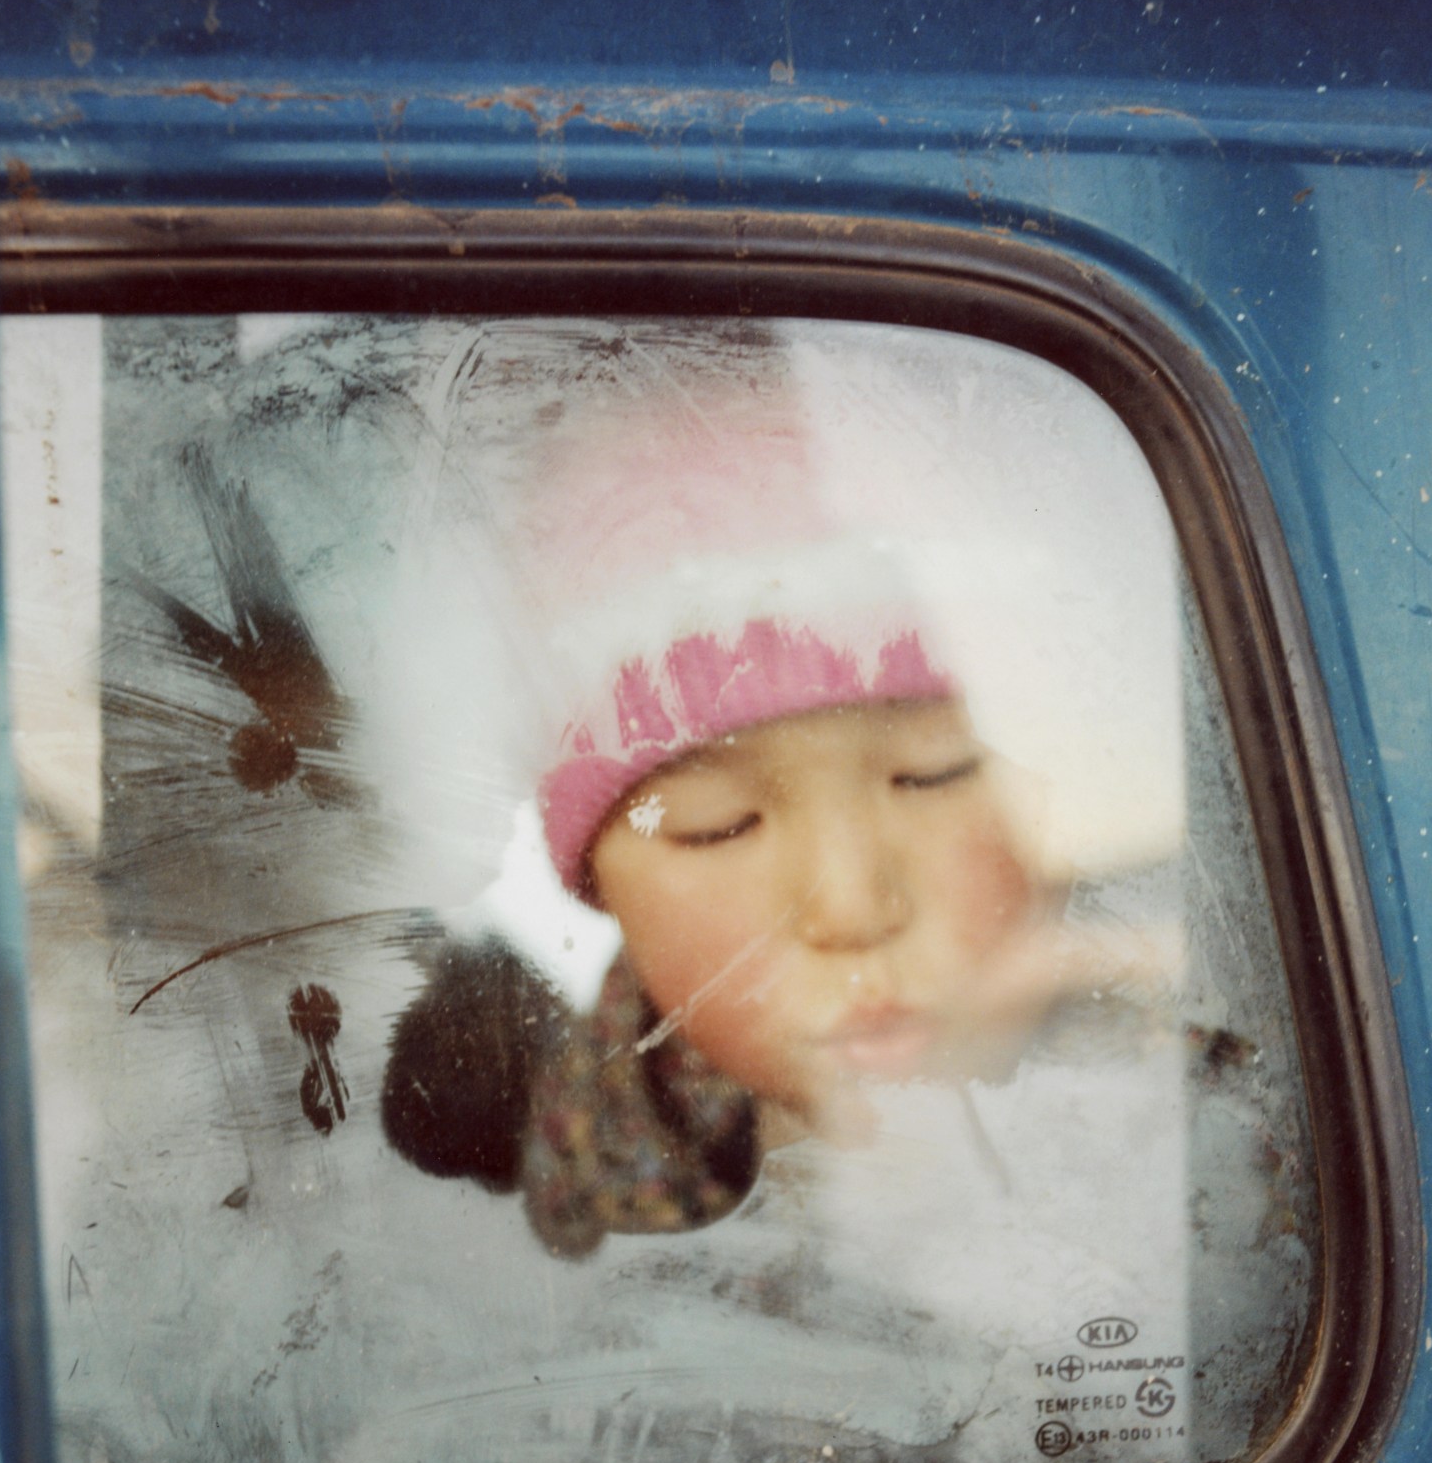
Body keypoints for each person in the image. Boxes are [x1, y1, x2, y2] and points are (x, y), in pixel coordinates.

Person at [382, 359, 1165, 1257]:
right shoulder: (577, 1269)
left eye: (935, 772)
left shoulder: (1229, 1127)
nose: (851, 905)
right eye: (715, 825)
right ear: (607, 893)